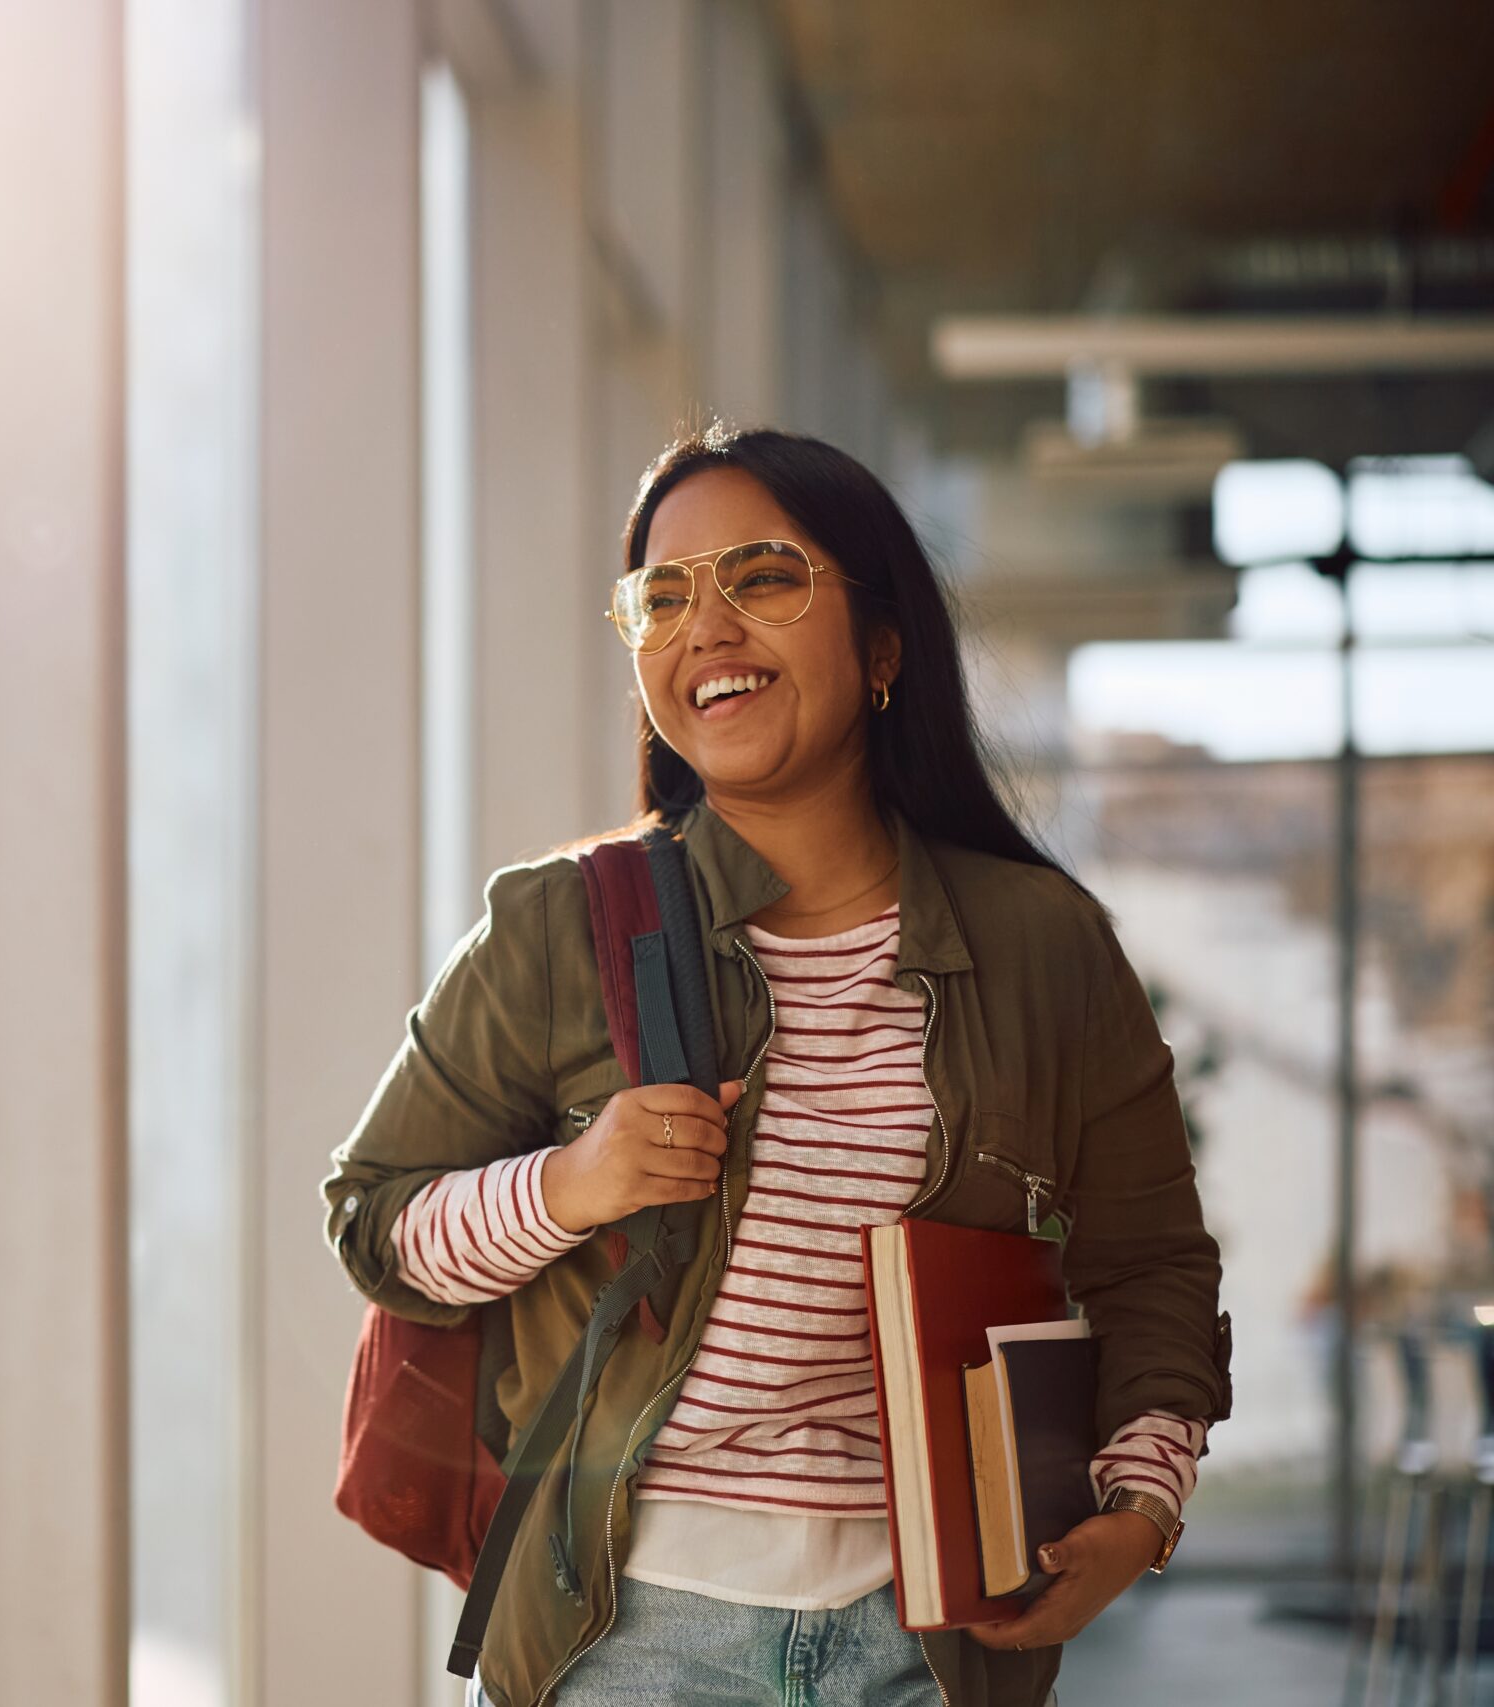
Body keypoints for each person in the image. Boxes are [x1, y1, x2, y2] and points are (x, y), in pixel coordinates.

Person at [319, 425, 1230, 1707]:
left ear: (883, 648)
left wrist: (1142, 1506)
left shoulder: (1043, 945)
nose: (707, 627)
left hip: (935, 1645)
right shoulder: (556, 927)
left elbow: (1151, 1264)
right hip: (619, 1644)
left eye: (763, 578)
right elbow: (376, 1225)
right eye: (664, 596)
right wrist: (570, 1186)